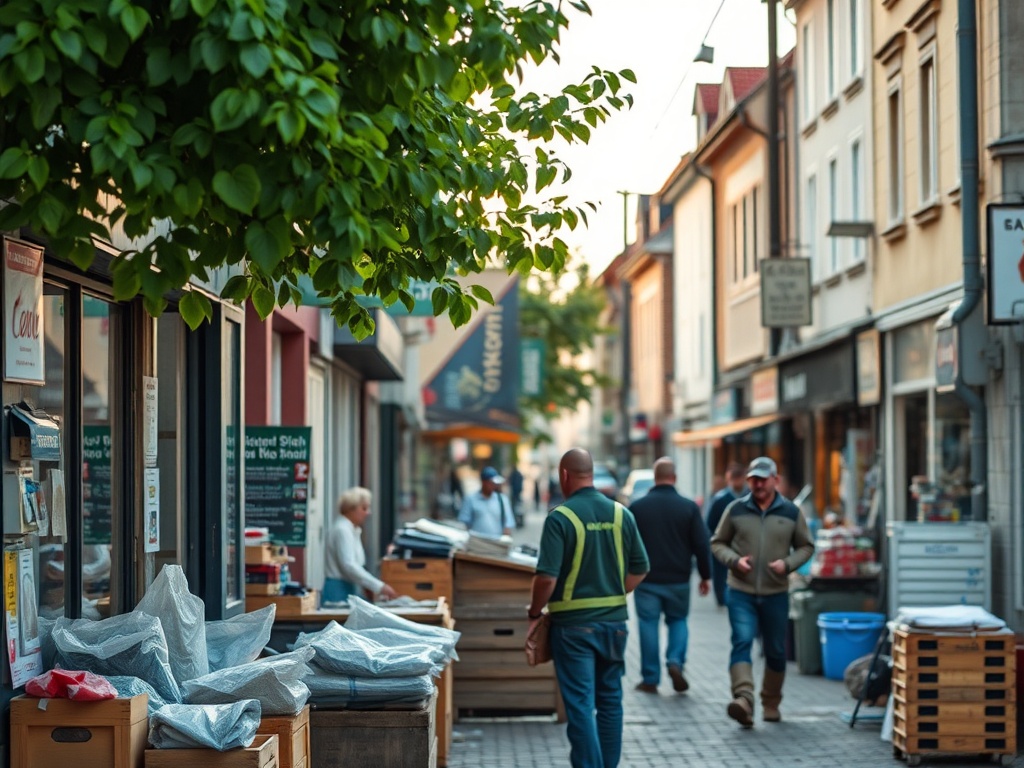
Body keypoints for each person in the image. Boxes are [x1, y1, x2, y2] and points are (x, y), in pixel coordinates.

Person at [527, 448, 650, 768]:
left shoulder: (560, 518)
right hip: (615, 625)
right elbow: (640, 569)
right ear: (592, 474)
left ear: (564, 475)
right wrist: (611, 592)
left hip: (573, 628)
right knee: (610, 702)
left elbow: (546, 579)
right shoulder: (623, 514)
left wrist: (534, 612)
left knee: (580, 706)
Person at [711, 457, 814, 727]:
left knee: (776, 650)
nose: (757, 484)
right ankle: (744, 699)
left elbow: (806, 546)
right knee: (742, 641)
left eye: (762, 479)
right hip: (740, 590)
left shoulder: (791, 512)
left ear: (775, 480)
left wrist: (787, 564)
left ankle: (770, 701)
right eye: (752, 479)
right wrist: (734, 561)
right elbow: (717, 542)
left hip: (775, 592)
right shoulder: (735, 510)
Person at [629, 457, 711, 694]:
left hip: (646, 580)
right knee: (678, 621)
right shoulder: (688, 507)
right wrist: (705, 576)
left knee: (647, 624)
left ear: (655, 478)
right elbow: (701, 544)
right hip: (679, 579)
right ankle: (675, 661)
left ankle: (650, 678)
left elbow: (627, 545)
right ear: (674, 478)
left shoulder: (638, 507)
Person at [324, 486, 398, 604]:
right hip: (338, 591)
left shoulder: (352, 530)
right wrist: (379, 586)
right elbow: (349, 565)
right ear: (351, 508)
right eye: (364, 508)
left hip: (348, 588)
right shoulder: (342, 530)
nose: (368, 513)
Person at [705, 463, 746, 607]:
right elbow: (710, 522)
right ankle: (722, 597)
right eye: (734, 479)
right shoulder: (720, 499)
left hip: (742, 543)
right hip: (723, 542)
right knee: (720, 571)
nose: (737, 482)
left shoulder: (749, 498)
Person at [458, 466, 515, 536]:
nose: (494, 486)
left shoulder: (502, 500)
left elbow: (508, 524)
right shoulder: (470, 500)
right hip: (477, 543)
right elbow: (464, 524)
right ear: (484, 482)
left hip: (497, 542)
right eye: (491, 483)